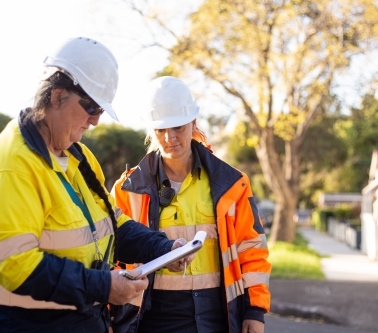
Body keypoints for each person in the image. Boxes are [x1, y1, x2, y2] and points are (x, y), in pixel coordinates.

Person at [0, 38, 191, 333]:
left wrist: (163, 249)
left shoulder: (79, 156)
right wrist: (102, 286)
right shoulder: (11, 166)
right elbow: (13, 264)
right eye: (92, 107)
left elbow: (113, 224)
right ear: (57, 96)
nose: (96, 121)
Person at [112, 76, 272, 333]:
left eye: (177, 127)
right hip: (150, 318)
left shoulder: (232, 184)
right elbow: (112, 255)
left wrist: (255, 310)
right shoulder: (127, 189)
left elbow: (252, 249)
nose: (169, 137)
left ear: (193, 123)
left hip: (216, 315)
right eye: (161, 130)